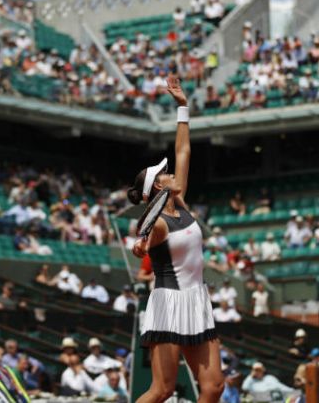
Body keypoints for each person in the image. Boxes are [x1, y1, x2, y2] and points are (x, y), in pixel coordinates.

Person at [128, 75, 224, 403]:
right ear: (158, 186)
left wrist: (183, 107)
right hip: (168, 304)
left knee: (213, 387)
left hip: (197, 299)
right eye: (165, 174)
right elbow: (142, 239)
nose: (171, 173)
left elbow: (183, 149)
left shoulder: (178, 199)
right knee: (162, 390)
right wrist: (140, 245)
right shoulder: (155, 225)